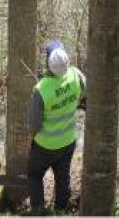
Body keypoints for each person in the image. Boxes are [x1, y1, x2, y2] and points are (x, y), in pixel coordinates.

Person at [27, 39, 86, 215]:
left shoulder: (41, 89)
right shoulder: (76, 75)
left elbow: (34, 124)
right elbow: (86, 92)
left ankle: (38, 210)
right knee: (63, 177)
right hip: (68, 141)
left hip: (44, 145)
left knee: (34, 175)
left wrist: (31, 137)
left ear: (48, 64)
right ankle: (60, 209)